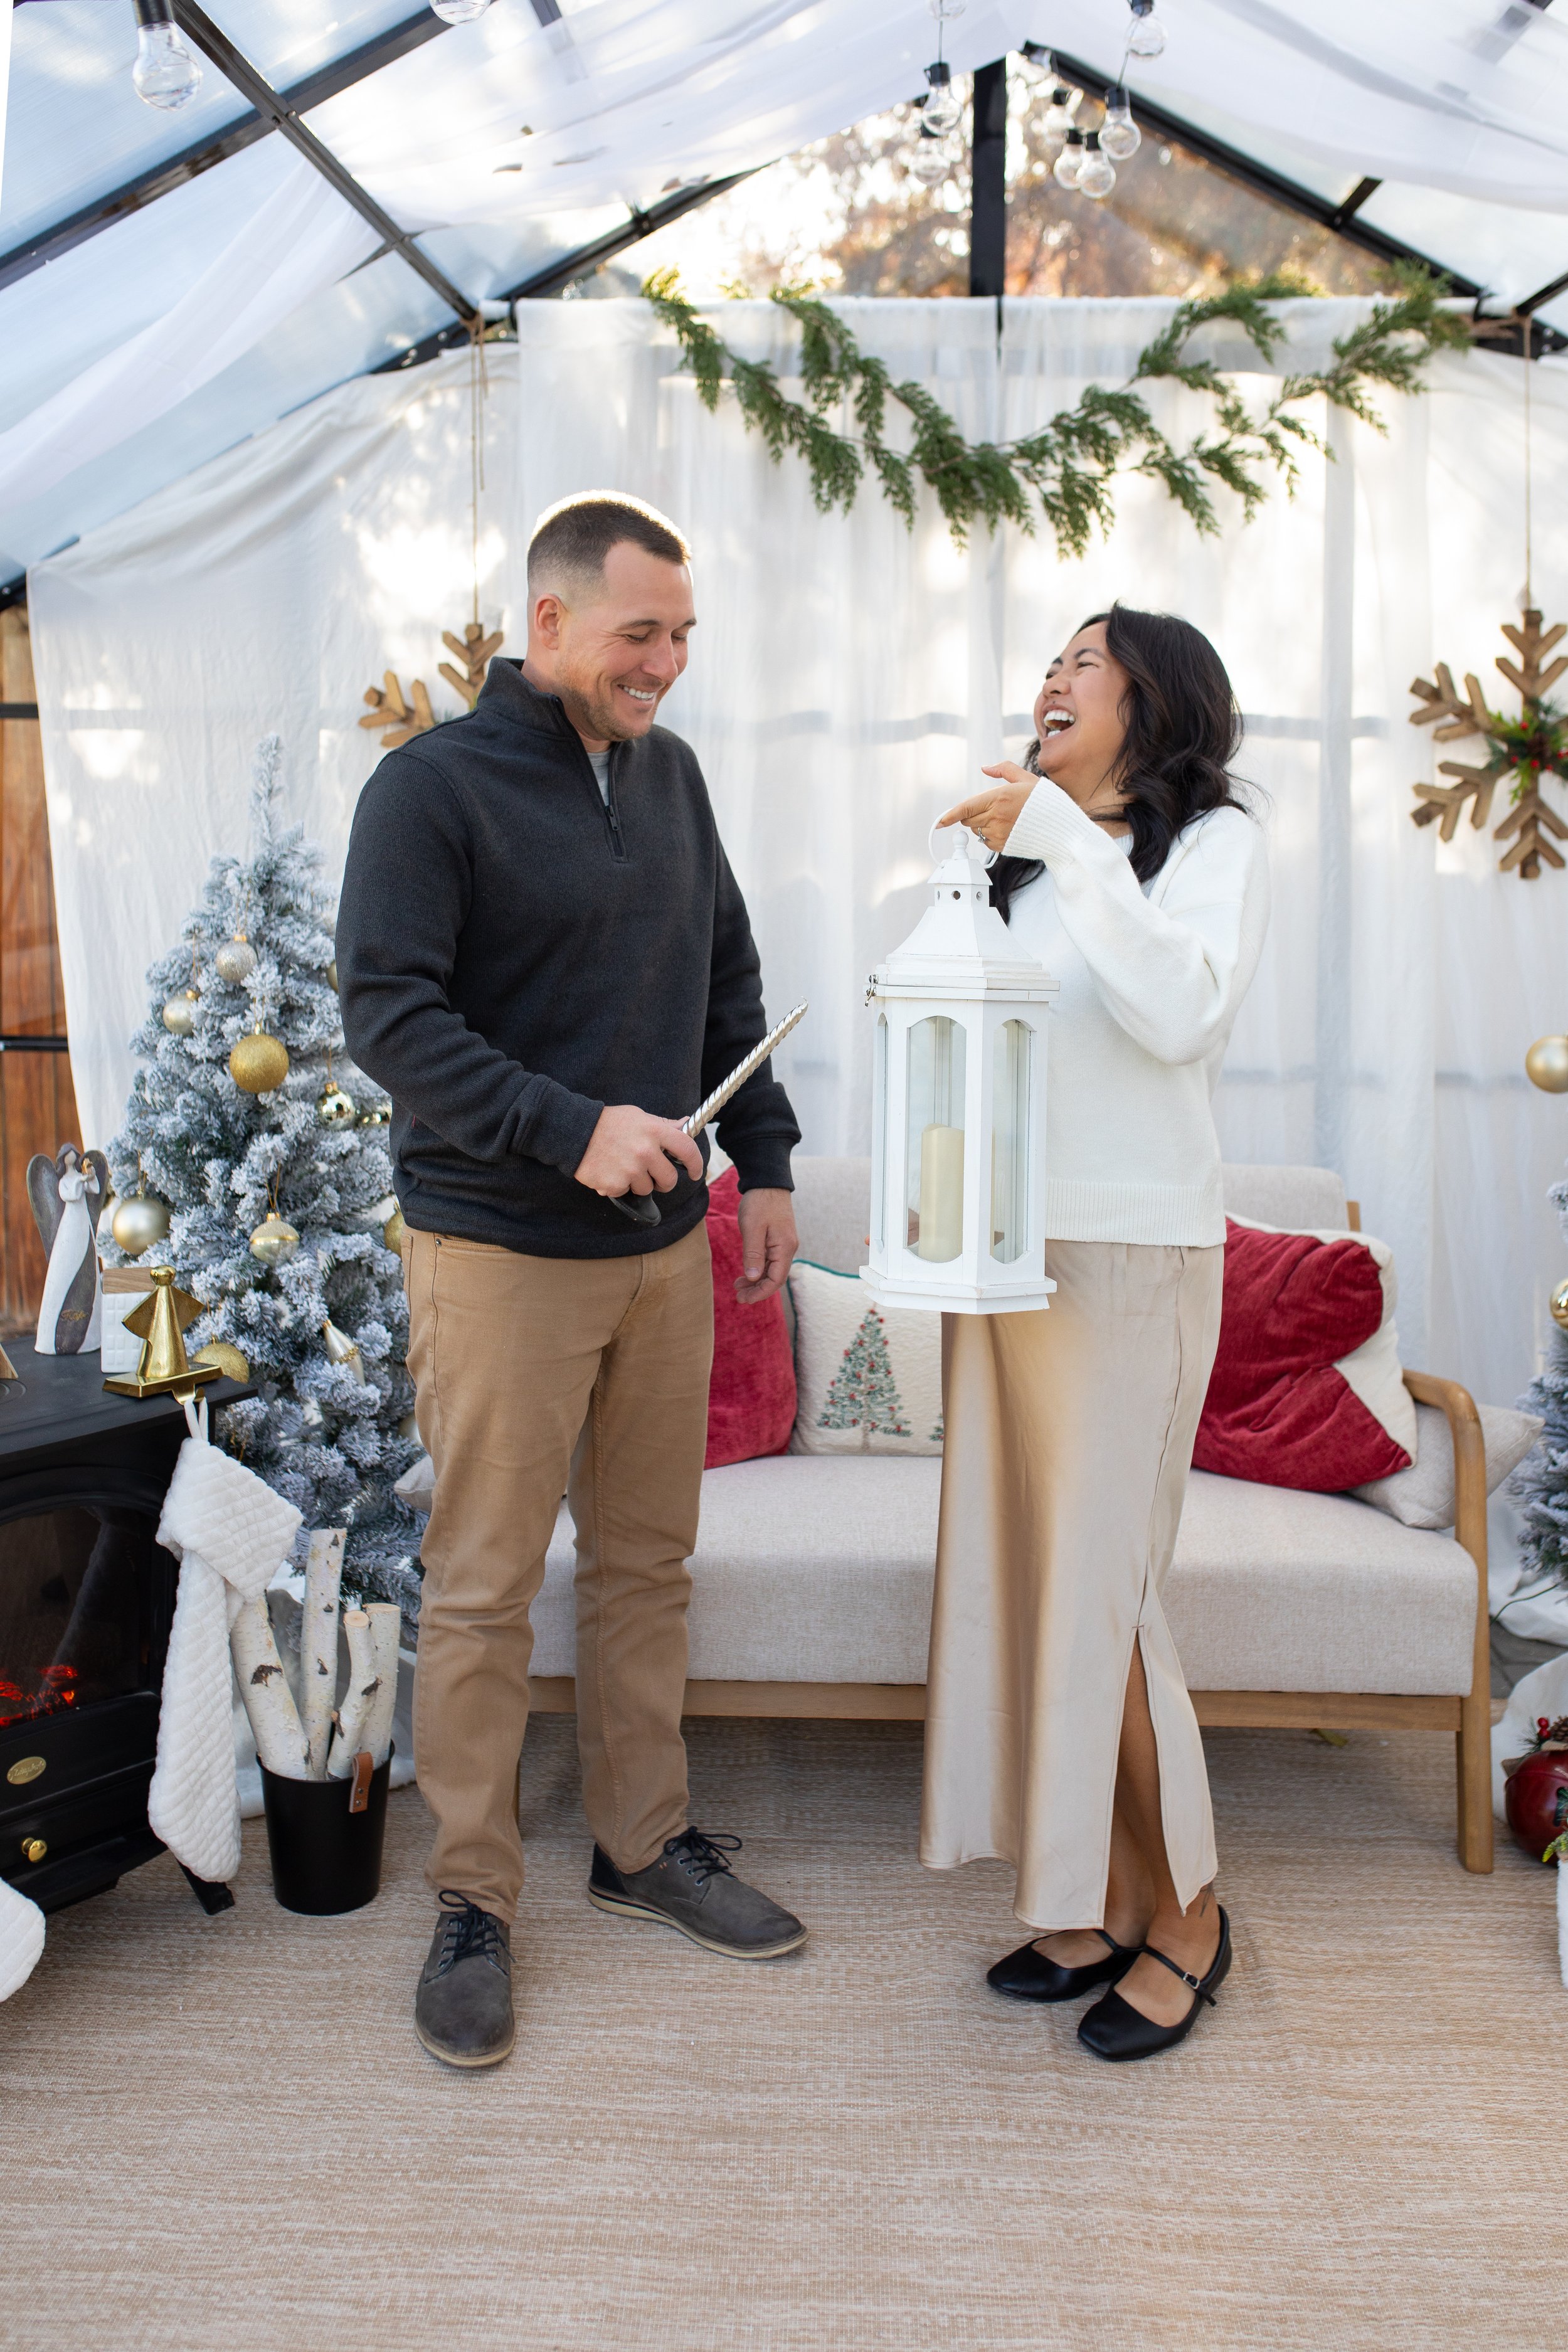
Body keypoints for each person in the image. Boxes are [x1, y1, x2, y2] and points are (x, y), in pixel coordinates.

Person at [337, 492, 806, 2072]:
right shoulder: (428, 790)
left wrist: (769, 1163)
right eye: (638, 634)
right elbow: (388, 1016)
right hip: (495, 1252)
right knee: (481, 1590)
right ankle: (472, 1898)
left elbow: (728, 975)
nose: (665, 663)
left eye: (681, 635)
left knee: (644, 1570)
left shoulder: (671, 777)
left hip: (661, 1257)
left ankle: (639, 1845)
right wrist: (567, 1126)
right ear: (548, 623)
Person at [923, 604, 1269, 2063]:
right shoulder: (1029, 859)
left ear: (1154, 696)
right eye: (1049, 664)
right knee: (1032, 1588)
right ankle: (1093, 1897)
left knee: (1105, 1598)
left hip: (1129, 1255)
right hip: (1007, 1255)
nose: (1051, 681)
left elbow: (1178, 1014)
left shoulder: (1210, 846)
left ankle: (1185, 1915)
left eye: (1083, 661)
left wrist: (1060, 840)